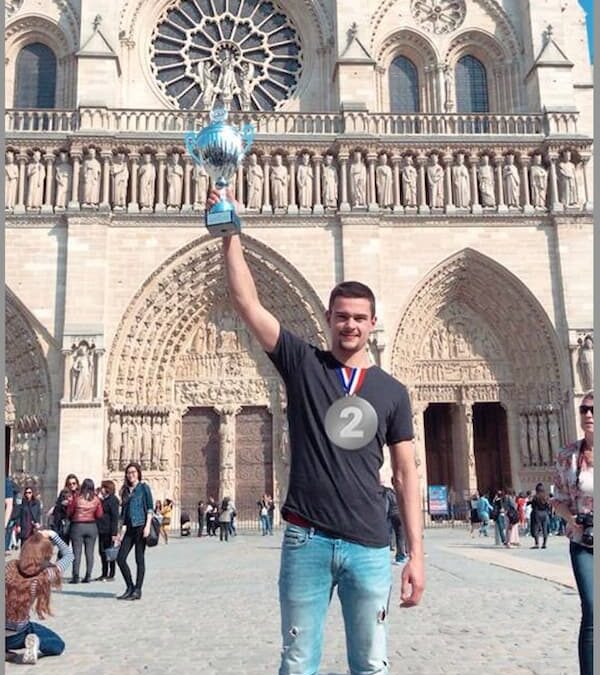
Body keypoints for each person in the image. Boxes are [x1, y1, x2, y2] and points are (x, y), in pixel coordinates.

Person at [210, 185, 424, 674]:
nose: (350, 325)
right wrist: (229, 233)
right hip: (306, 540)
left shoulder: (393, 391)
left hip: (370, 545)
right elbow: (247, 304)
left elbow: (408, 474)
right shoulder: (304, 364)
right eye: (342, 317)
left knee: (371, 663)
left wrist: (415, 553)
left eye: (359, 319)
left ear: (373, 323)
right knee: (297, 661)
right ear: (328, 319)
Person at [552, 390, 594, 675]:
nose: (588, 415)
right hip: (583, 541)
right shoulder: (569, 455)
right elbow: (557, 499)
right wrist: (573, 519)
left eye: (593, 409)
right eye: (583, 409)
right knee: (592, 608)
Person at [5, 530, 74, 663]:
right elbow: (69, 555)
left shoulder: (9, 568)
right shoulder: (45, 575)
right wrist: (53, 535)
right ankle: (32, 643)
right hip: (17, 633)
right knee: (57, 644)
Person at [116, 462, 154, 601]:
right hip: (130, 528)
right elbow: (123, 514)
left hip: (141, 526)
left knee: (139, 559)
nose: (131, 475)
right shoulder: (125, 491)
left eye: (133, 472)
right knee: (120, 558)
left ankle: (138, 590)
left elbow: (150, 507)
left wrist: (147, 526)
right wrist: (120, 532)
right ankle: (130, 586)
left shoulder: (144, 488)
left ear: (138, 473)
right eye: (128, 472)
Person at [66, 478, 102, 583]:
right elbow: (99, 514)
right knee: (90, 552)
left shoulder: (77, 498)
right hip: (91, 526)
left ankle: (76, 576)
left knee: (76, 552)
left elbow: (70, 512)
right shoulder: (96, 499)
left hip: (78, 526)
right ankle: (88, 576)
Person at [96, 480, 120, 582]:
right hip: (102, 529)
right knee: (102, 552)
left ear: (107, 488)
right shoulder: (103, 500)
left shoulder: (113, 500)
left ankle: (111, 574)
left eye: (103, 487)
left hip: (109, 530)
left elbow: (115, 517)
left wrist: (114, 533)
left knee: (110, 552)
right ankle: (104, 572)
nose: (101, 489)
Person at [51, 474, 79, 550]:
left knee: (76, 549)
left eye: (74, 483)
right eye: (70, 484)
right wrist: (62, 504)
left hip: (76, 523)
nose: (72, 485)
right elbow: (57, 507)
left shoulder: (79, 494)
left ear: (77, 484)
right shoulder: (63, 493)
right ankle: (62, 561)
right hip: (66, 522)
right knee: (63, 548)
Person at [529, 482, 551, 549]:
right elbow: (548, 506)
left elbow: (532, 505)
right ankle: (544, 544)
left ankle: (537, 543)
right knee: (545, 528)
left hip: (537, 512)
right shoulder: (546, 496)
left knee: (536, 528)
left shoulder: (535, 497)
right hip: (544, 513)